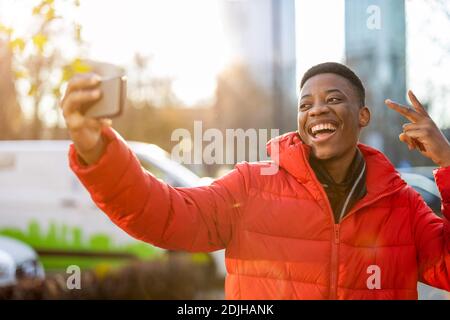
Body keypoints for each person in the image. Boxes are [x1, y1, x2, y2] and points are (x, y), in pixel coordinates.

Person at [61, 62, 450, 299]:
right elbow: (164, 214)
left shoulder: (401, 204)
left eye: (333, 99)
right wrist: (100, 153)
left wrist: (448, 162)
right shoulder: (251, 186)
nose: (317, 110)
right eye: (305, 104)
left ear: (362, 116)